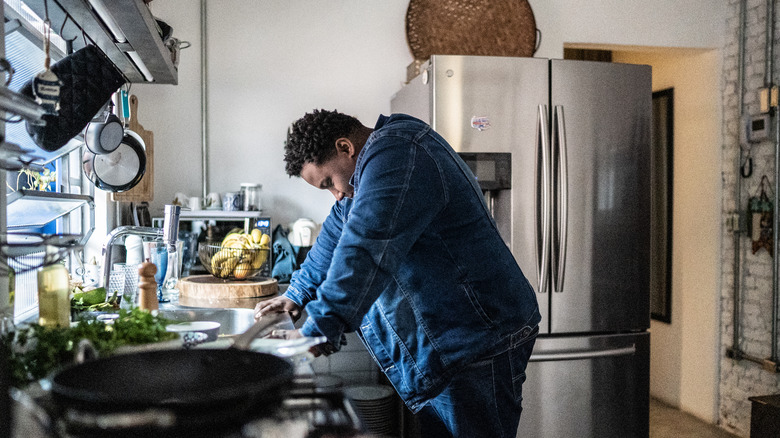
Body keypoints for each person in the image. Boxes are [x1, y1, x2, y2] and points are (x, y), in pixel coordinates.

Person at [255, 109, 540, 437]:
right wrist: (296, 294)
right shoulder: (370, 170)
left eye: (329, 183)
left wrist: (317, 331)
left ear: (345, 147)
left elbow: (364, 247)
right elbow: (337, 231)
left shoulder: (398, 153)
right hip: (451, 346)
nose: (336, 195)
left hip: (477, 342)